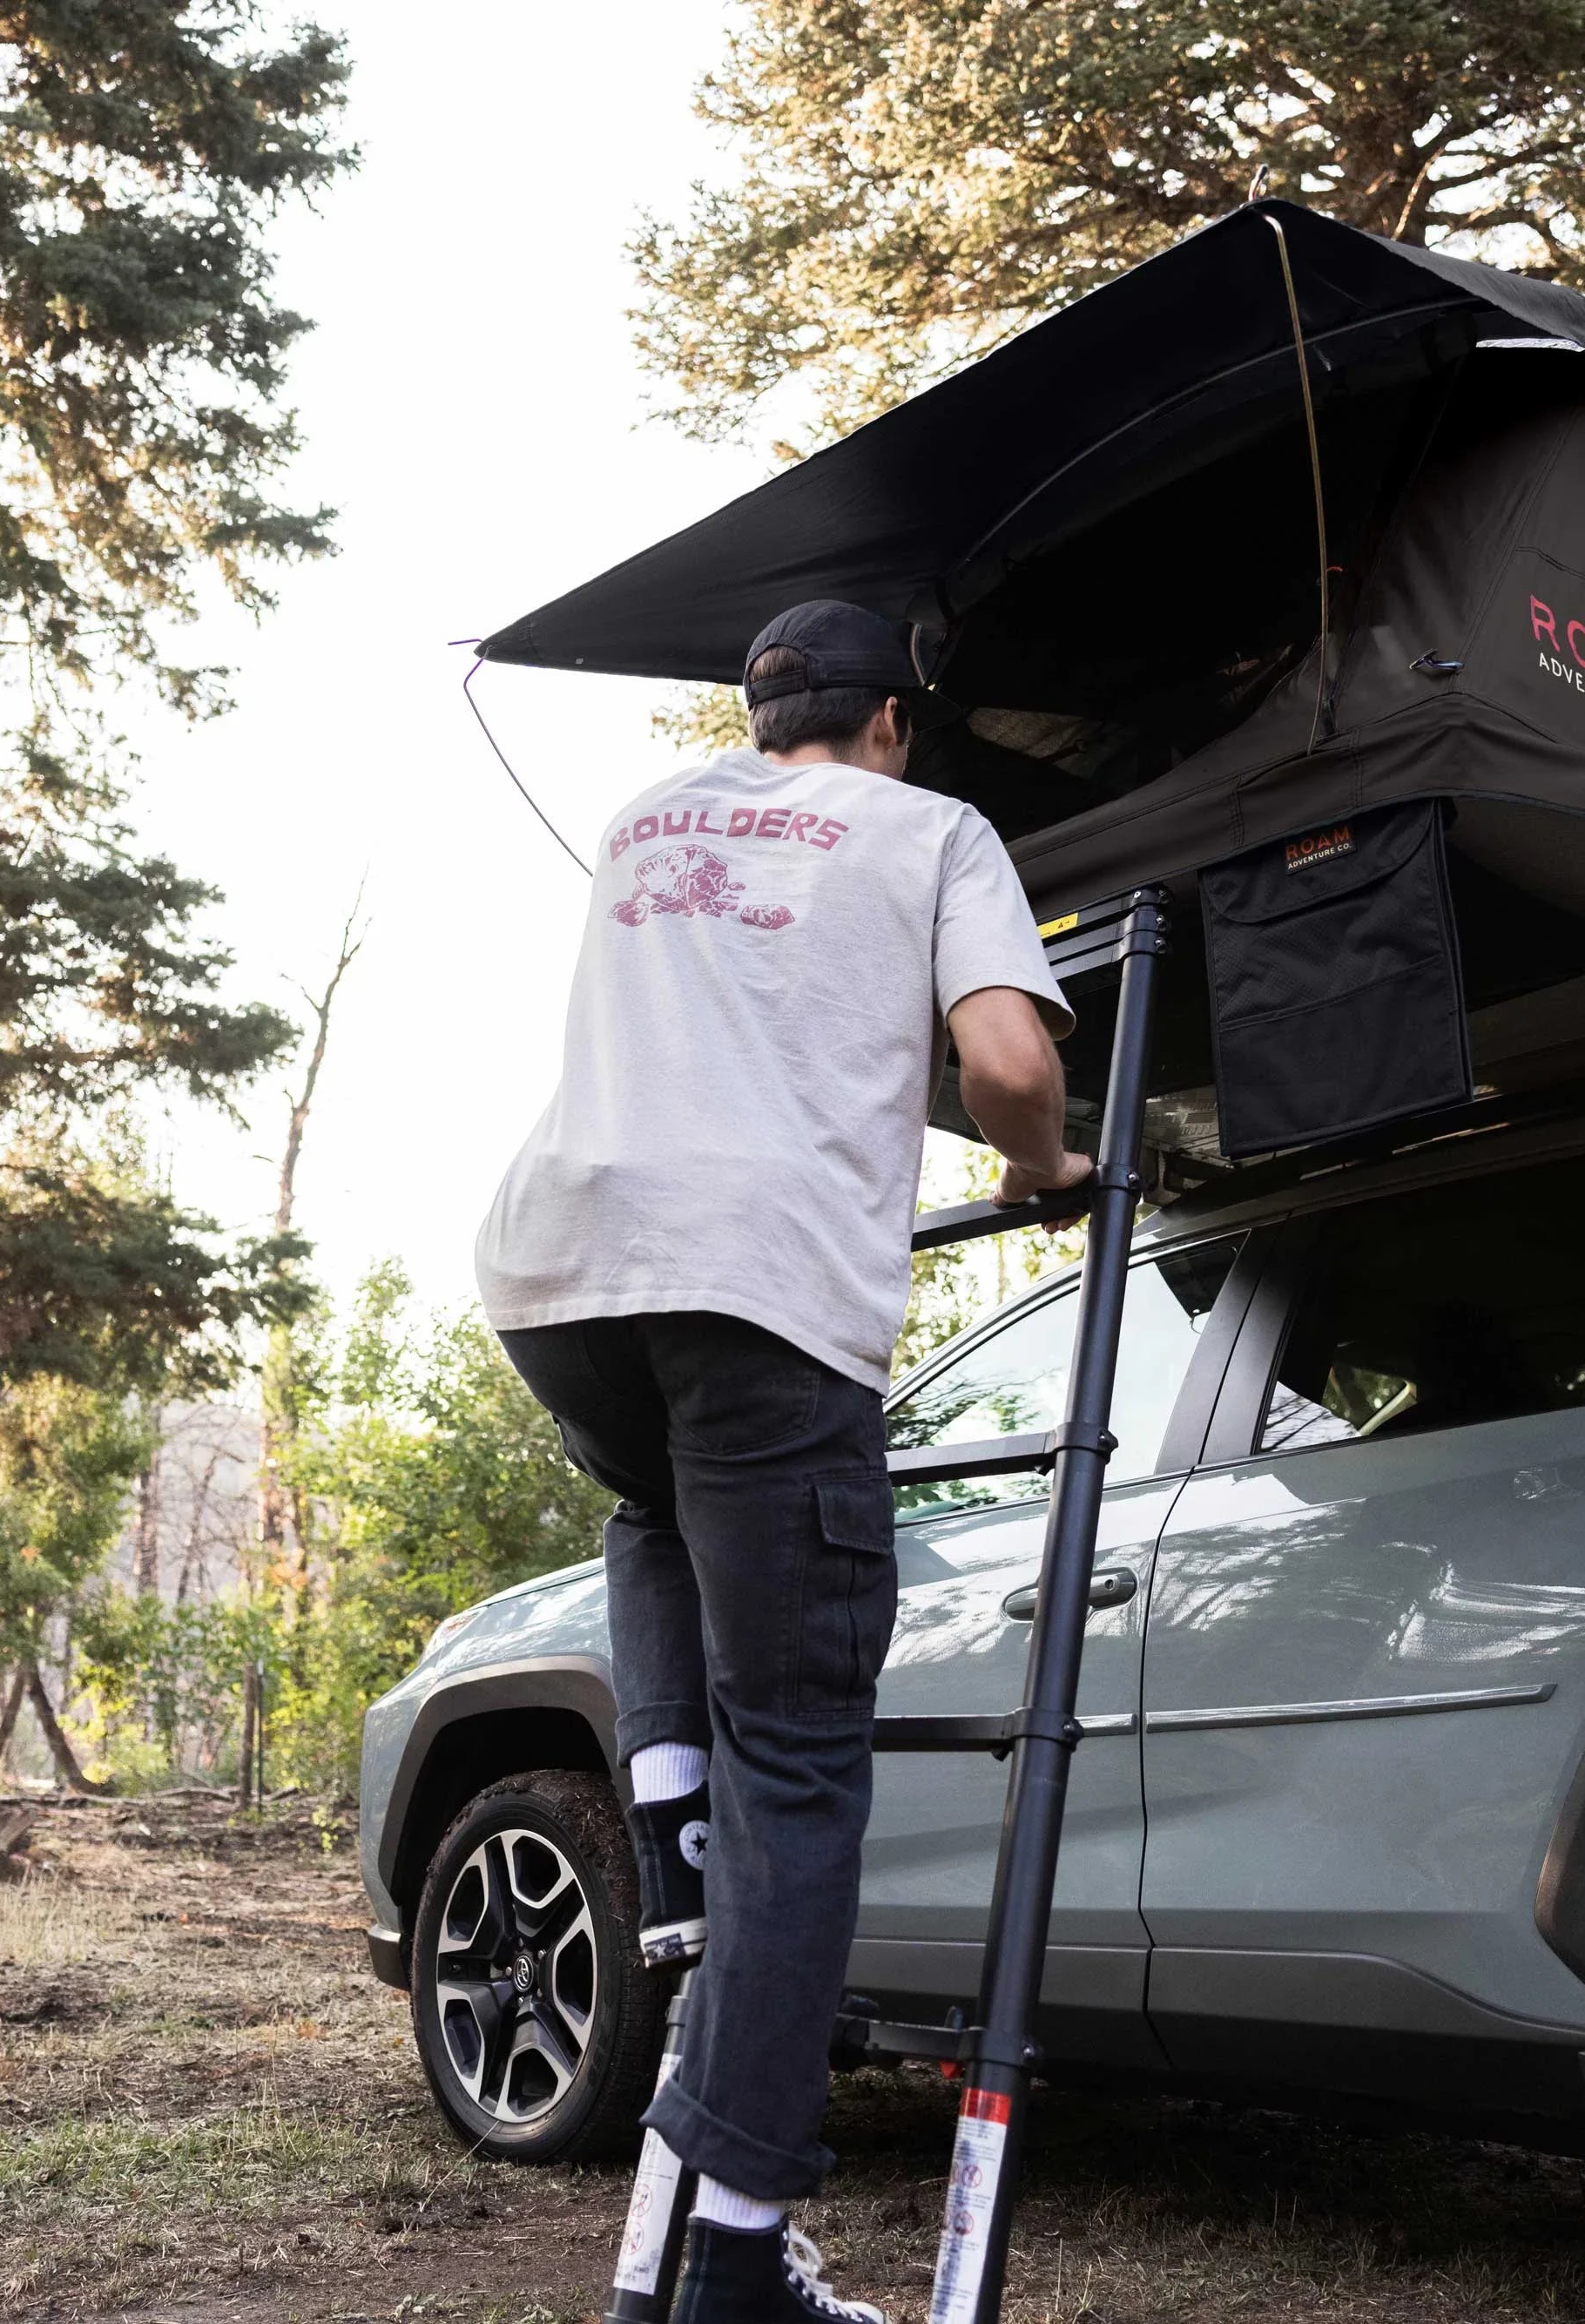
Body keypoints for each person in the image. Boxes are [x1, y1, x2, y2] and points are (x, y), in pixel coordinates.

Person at [477, 599, 1091, 2324]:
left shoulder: (647, 817)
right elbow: (1006, 1059)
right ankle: (736, 2252)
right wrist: (1043, 1167)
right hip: (760, 1290)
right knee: (805, 1770)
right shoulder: (930, 828)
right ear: (892, 720)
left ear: (762, 721)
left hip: (551, 1270)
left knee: (648, 1497)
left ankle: (664, 1792)